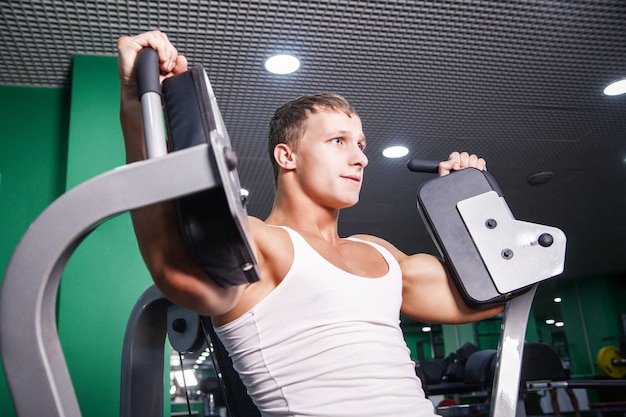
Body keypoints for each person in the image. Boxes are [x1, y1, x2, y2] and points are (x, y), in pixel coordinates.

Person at [117, 30, 503, 417]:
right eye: (338, 141)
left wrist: (469, 200)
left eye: (361, 145)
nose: (360, 159)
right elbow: (175, 269)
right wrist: (136, 106)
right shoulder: (262, 243)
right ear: (287, 156)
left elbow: (490, 299)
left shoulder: (380, 254)